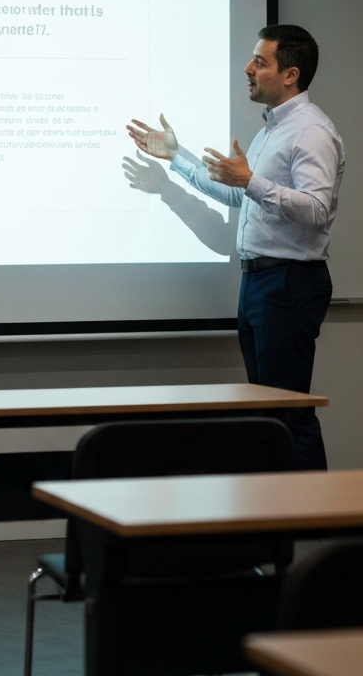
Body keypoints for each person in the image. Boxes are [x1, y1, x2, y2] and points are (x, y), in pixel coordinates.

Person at [127, 24, 344, 469]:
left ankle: (312, 517)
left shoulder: (311, 132)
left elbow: (318, 209)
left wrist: (251, 180)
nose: (247, 69)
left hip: (289, 283)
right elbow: (237, 194)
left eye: (260, 62)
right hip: (260, 284)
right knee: (267, 413)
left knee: (289, 412)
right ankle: (275, 515)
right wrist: (177, 156)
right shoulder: (271, 131)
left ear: (291, 75)